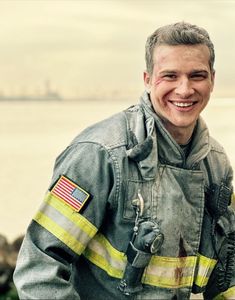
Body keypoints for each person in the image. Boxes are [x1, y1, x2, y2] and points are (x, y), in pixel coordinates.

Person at [13, 22, 235, 300]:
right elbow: (39, 268)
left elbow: (226, 272)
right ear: (147, 79)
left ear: (212, 79)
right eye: (170, 76)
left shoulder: (216, 166)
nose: (184, 89)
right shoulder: (99, 154)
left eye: (197, 75)